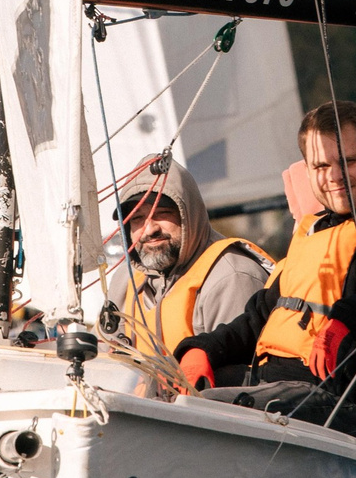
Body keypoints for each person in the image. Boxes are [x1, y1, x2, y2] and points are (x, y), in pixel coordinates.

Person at [174, 101, 356, 442]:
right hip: (272, 386)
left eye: (348, 161)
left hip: (342, 403)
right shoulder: (311, 232)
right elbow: (259, 316)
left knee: (200, 410)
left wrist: (345, 319)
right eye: (321, 165)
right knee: (163, 394)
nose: (335, 176)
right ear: (308, 171)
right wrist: (202, 348)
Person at [105, 160, 272, 386]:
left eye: (162, 213)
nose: (150, 229)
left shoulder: (232, 277)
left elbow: (240, 388)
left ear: (188, 214)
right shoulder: (126, 280)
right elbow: (106, 363)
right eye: (137, 218)